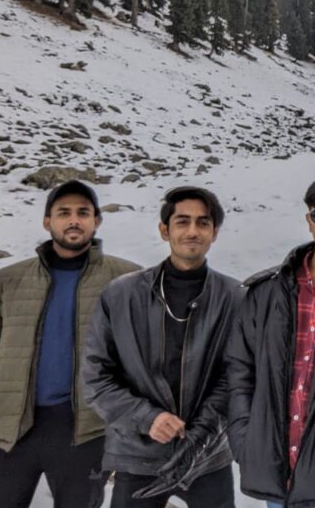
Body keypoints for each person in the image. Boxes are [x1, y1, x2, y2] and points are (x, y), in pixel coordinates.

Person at [0, 180, 138, 508]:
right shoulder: (9, 279)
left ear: (96, 221)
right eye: (63, 213)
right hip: (13, 424)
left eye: (83, 213)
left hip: (86, 429)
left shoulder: (128, 279)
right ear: (47, 221)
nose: (74, 220)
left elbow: (151, 353)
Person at [84, 186, 240, 508]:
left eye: (203, 223)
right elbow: (96, 379)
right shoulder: (120, 295)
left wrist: (199, 438)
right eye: (182, 221)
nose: (192, 231)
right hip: (137, 456)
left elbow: (238, 377)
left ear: (214, 233)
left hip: (208, 459)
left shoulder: (236, 297)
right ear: (164, 230)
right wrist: (147, 418)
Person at [226, 172, 315, 508]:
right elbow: (239, 369)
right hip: (278, 470)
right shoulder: (267, 292)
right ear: (308, 220)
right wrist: (245, 438)